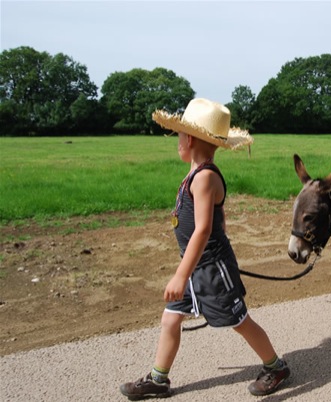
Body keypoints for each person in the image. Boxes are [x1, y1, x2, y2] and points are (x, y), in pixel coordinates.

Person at [119, 98, 290, 400]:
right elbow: (216, 220)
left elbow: (203, 229)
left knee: (239, 321)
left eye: (180, 136)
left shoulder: (205, 177)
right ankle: (159, 379)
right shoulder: (195, 175)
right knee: (171, 318)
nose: (177, 142)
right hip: (194, 265)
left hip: (210, 268)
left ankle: (275, 367)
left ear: (192, 139)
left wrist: (180, 276)